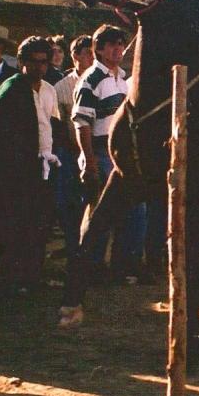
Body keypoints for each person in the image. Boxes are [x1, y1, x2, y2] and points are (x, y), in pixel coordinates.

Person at [71, 24, 146, 283]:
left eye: (120, 43)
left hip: (122, 155)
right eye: (111, 44)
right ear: (98, 49)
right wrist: (89, 164)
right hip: (99, 153)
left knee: (134, 212)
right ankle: (92, 269)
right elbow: (81, 124)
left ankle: (122, 267)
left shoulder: (123, 80)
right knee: (99, 213)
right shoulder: (91, 80)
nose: (118, 49)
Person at [0, 36, 60, 292]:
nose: (40, 67)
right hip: (16, 171)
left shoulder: (49, 89)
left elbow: (50, 126)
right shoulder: (10, 89)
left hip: (44, 167)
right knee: (15, 224)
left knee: (39, 225)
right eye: (35, 62)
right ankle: (13, 278)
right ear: (22, 62)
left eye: (45, 62)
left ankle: (33, 276)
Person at [52, 35, 94, 267]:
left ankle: (88, 254)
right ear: (75, 56)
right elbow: (57, 125)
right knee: (69, 205)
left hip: (95, 151)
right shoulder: (61, 87)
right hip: (69, 153)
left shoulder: (100, 81)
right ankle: (72, 249)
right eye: (86, 53)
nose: (91, 57)